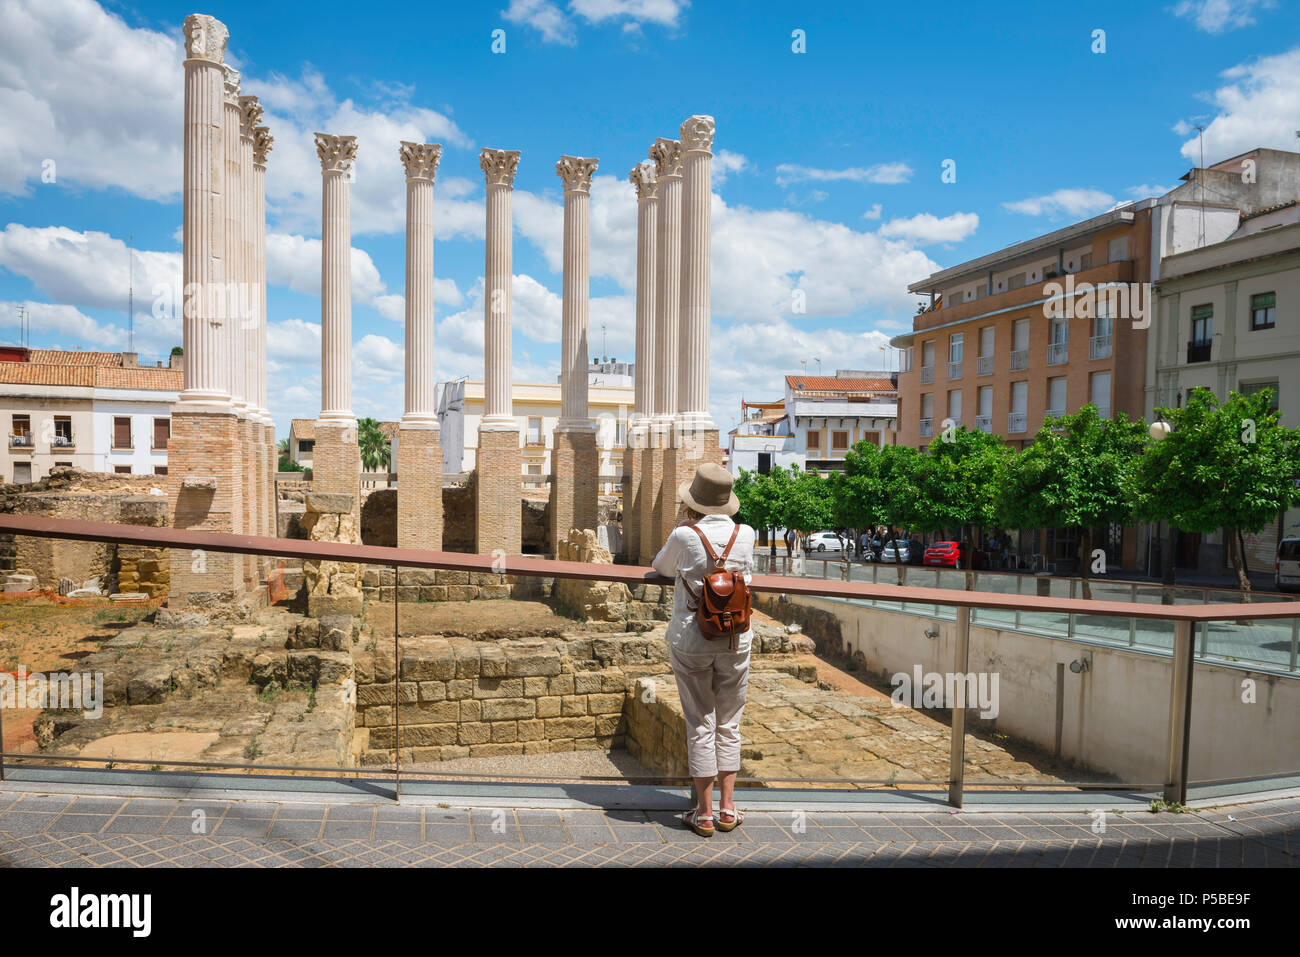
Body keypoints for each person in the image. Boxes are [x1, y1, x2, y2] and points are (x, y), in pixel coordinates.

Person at [652, 463, 757, 838]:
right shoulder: (747, 533)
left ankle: (704, 814)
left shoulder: (684, 535)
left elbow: (659, 568)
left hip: (692, 640)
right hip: (735, 640)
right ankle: (729, 810)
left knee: (701, 723)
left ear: (693, 501)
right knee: (730, 723)